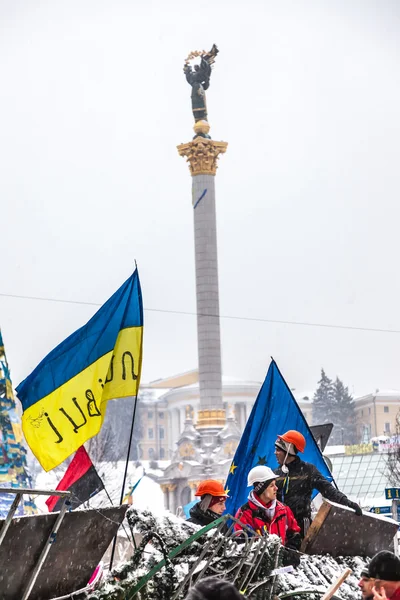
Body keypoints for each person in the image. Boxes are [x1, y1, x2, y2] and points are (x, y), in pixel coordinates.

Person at [273, 430, 362, 536]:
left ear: (288, 450)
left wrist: (348, 503)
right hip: (280, 527)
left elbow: (328, 490)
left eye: (278, 450)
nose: (275, 453)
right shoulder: (275, 474)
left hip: (301, 527)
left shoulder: (308, 470)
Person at [234, 465, 301, 551]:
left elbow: (295, 533)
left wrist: (290, 551)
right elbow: (241, 545)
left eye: (275, 484)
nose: (276, 488)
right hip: (256, 562)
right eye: (271, 485)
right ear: (261, 489)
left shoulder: (283, 509)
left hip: (282, 562)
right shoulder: (244, 514)